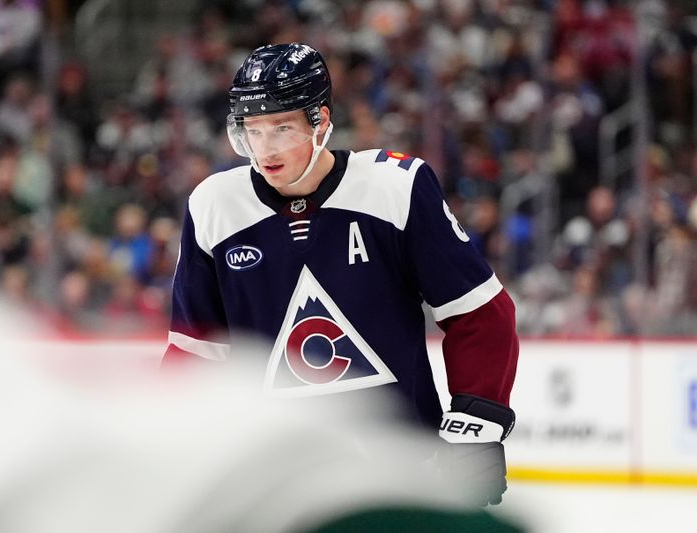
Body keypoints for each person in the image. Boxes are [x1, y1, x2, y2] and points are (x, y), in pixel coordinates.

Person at [162, 43, 519, 506]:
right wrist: (173, 446)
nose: (264, 149)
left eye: (282, 128)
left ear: (321, 122)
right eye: (252, 131)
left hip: (400, 472)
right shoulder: (214, 206)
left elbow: (479, 313)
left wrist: (476, 425)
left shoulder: (395, 188)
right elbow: (198, 352)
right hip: (273, 481)